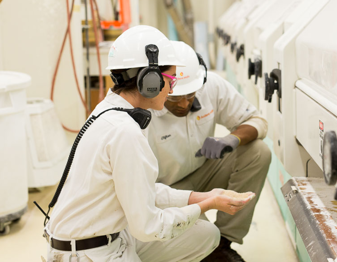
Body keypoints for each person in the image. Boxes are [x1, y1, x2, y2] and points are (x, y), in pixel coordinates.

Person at [42, 25, 254, 262]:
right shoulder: (125, 132)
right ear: (150, 81)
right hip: (90, 254)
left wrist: (201, 197)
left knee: (205, 234)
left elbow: (142, 189)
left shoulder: (108, 111)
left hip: (101, 238)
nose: (173, 88)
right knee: (178, 230)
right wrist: (208, 206)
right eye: (171, 79)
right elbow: (150, 227)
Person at [147, 41, 271, 262]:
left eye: (190, 96)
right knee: (201, 238)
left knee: (258, 152)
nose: (184, 104)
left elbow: (258, 121)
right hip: (162, 190)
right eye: (175, 98)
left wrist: (233, 139)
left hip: (203, 170)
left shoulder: (210, 85)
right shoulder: (142, 111)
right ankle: (210, 245)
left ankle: (224, 242)